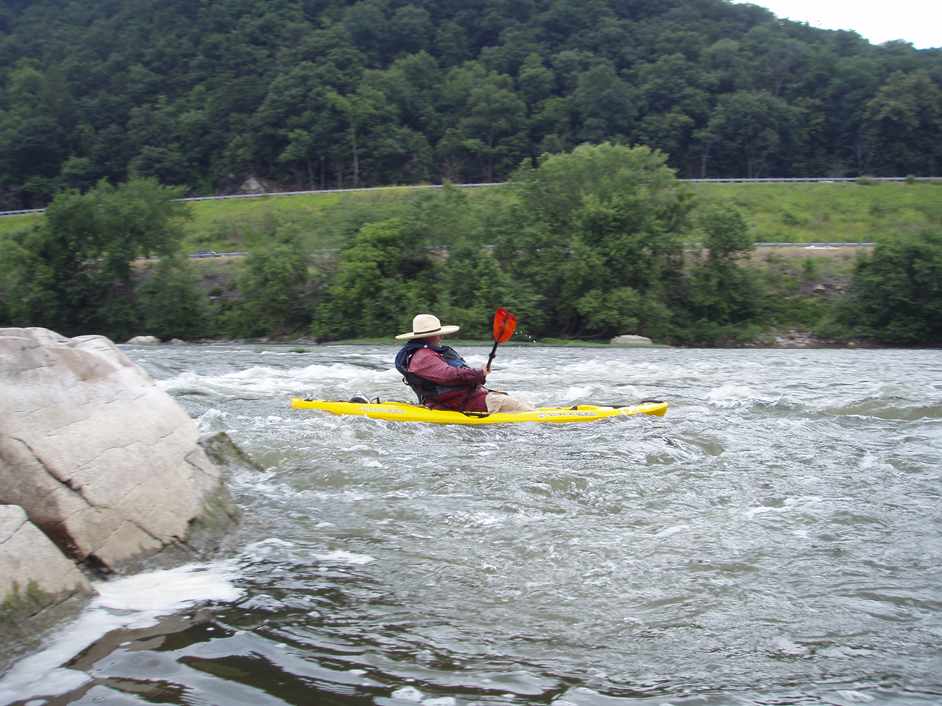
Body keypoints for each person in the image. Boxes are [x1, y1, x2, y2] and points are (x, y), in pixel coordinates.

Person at [394, 314, 535, 414]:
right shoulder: (423, 357)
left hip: (462, 399)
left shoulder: (424, 353)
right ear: (428, 336)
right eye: (438, 333)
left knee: (524, 402)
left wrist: (479, 373)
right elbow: (449, 375)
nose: (441, 336)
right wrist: (479, 373)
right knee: (524, 410)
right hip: (461, 403)